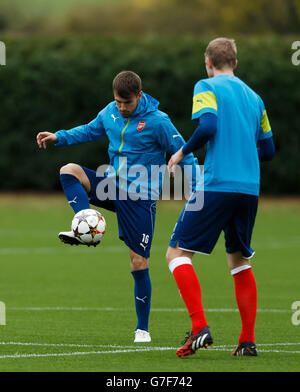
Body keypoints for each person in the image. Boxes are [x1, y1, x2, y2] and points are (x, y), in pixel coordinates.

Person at [36, 70, 199, 343]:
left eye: (127, 103)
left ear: (140, 96)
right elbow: (89, 130)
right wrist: (58, 137)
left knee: (138, 262)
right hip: (111, 186)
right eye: (118, 102)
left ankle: (142, 329)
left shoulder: (158, 122)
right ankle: (85, 219)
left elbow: (185, 154)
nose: (122, 108)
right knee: (69, 170)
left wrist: (197, 187)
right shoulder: (110, 112)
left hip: (140, 198)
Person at [166, 38, 275, 357]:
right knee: (240, 261)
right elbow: (268, 150)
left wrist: (182, 151)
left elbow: (208, 125)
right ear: (236, 64)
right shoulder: (255, 98)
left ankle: (199, 326)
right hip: (248, 189)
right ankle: (247, 341)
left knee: (176, 254)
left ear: (208, 62)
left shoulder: (206, 85)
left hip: (216, 184)